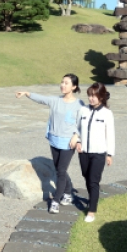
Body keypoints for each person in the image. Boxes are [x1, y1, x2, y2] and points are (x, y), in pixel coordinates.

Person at [15, 74, 85, 214]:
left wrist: (77, 137)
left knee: (61, 171)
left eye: (66, 83)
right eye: (62, 82)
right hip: (54, 140)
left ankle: (55, 201)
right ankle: (67, 192)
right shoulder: (55, 100)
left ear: (74, 86)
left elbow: (83, 122)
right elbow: (41, 99)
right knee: (59, 169)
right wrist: (27, 93)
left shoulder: (80, 104)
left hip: (68, 142)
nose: (62, 85)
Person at [70, 82, 115, 223]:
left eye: (94, 96)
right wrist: (77, 141)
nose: (91, 98)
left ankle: (91, 210)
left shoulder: (107, 114)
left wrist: (109, 154)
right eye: (90, 95)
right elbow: (77, 128)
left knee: (93, 181)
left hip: (99, 153)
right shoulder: (83, 110)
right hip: (83, 152)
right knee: (86, 176)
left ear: (101, 97)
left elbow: (110, 135)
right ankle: (93, 198)